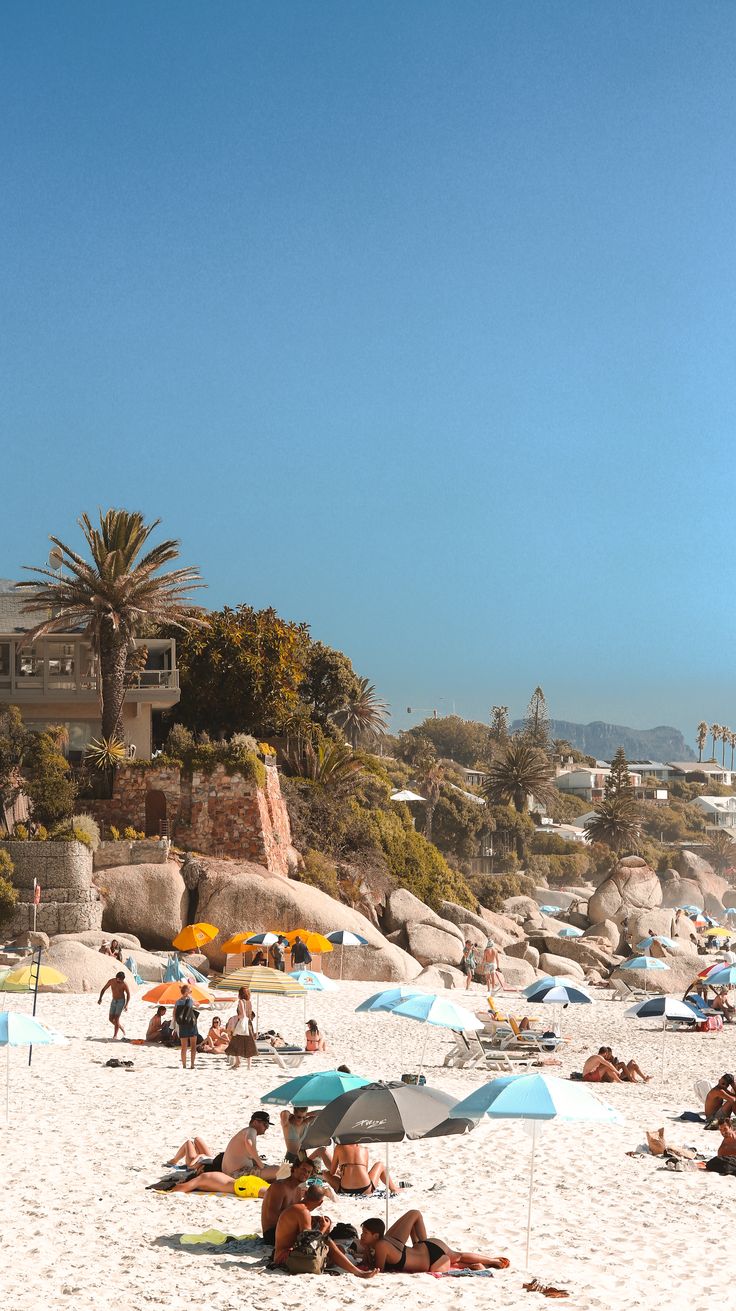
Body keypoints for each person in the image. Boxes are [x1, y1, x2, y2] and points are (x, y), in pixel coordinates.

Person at [356, 1209, 510, 1274]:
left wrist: (367, 1254)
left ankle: (481, 1265)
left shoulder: (382, 1245)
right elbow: (415, 1213)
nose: (362, 1236)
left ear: (376, 1236)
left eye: (365, 1234)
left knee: (455, 1262)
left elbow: (379, 1270)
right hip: (429, 1244)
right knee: (459, 1255)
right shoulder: (389, 1238)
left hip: (431, 1262)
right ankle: (493, 1261)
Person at [168, 1113, 281, 1180]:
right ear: (256, 1122)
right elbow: (249, 1143)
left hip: (232, 1171)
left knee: (278, 1171)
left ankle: (174, 1160)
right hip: (238, 1173)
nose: (266, 1127)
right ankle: (174, 1159)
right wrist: (260, 1163)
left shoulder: (244, 1132)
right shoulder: (251, 1130)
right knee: (281, 1170)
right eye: (265, 1124)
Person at [261, 1159, 313, 1245]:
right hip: (272, 1234)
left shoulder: (298, 1191)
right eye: (304, 1169)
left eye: (309, 1172)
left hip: (286, 1229)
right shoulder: (279, 1187)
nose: (306, 1173)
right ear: (294, 1168)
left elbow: (295, 1213)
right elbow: (273, 1217)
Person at [328, 1143, 397, 1195]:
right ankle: (394, 1189)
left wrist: (342, 1172)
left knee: (325, 1173)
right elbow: (365, 1172)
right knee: (380, 1164)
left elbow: (332, 1172)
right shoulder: (364, 1149)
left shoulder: (339, 1147)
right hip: (366, 1189)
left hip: (344, 1189)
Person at [280, 1107, 332, 1171]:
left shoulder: (305, 1123)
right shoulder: (288, 1124)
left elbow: (322, 1113)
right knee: (283, 1177)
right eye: (299, 1117)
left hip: (301, 1156)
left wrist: (306, 1114)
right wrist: (291, 1114)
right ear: (294, 1114)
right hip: (290, 1156)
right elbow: (284, 1113)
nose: (301, 1119)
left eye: (303, 1117)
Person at [227, 986, 257, 1070]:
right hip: (249, 1025)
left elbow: (243, 1015)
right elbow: (250, 1015)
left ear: (240, 994)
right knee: (249, 1044)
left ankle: (237, 1062)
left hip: (241, 1025)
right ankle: (249, 1066)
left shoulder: (241, 1001)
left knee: (235, 1042)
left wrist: (235, 1017)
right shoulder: (249, 1002)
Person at [98, 971, 130, 1040]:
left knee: (116, 1018)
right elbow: (103, 989)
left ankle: (115, 1035)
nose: (120, 981)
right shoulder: (111, 981)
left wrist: (126, 1004)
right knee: (110, 1019)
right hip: (114, 1001)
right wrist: (100, 998)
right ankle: (120, 1027)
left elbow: (128, 994)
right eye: (119, 979)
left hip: (121, 1001)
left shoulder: (124, 984)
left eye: (121, 980)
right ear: (116, 978)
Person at [174, 983, 200, 1069]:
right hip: (191, 1024)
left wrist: (176, 1024)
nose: (191, 991)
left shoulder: (178, 1001)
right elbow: (198, 1004)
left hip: (182, 1025)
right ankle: (192, 1065)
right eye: (190, 990)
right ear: (186, 991)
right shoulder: (190, 1000)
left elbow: (174, 1014)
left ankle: (184, 1065)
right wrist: (191, 997)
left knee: (183, 1047)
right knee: (193, 1046)